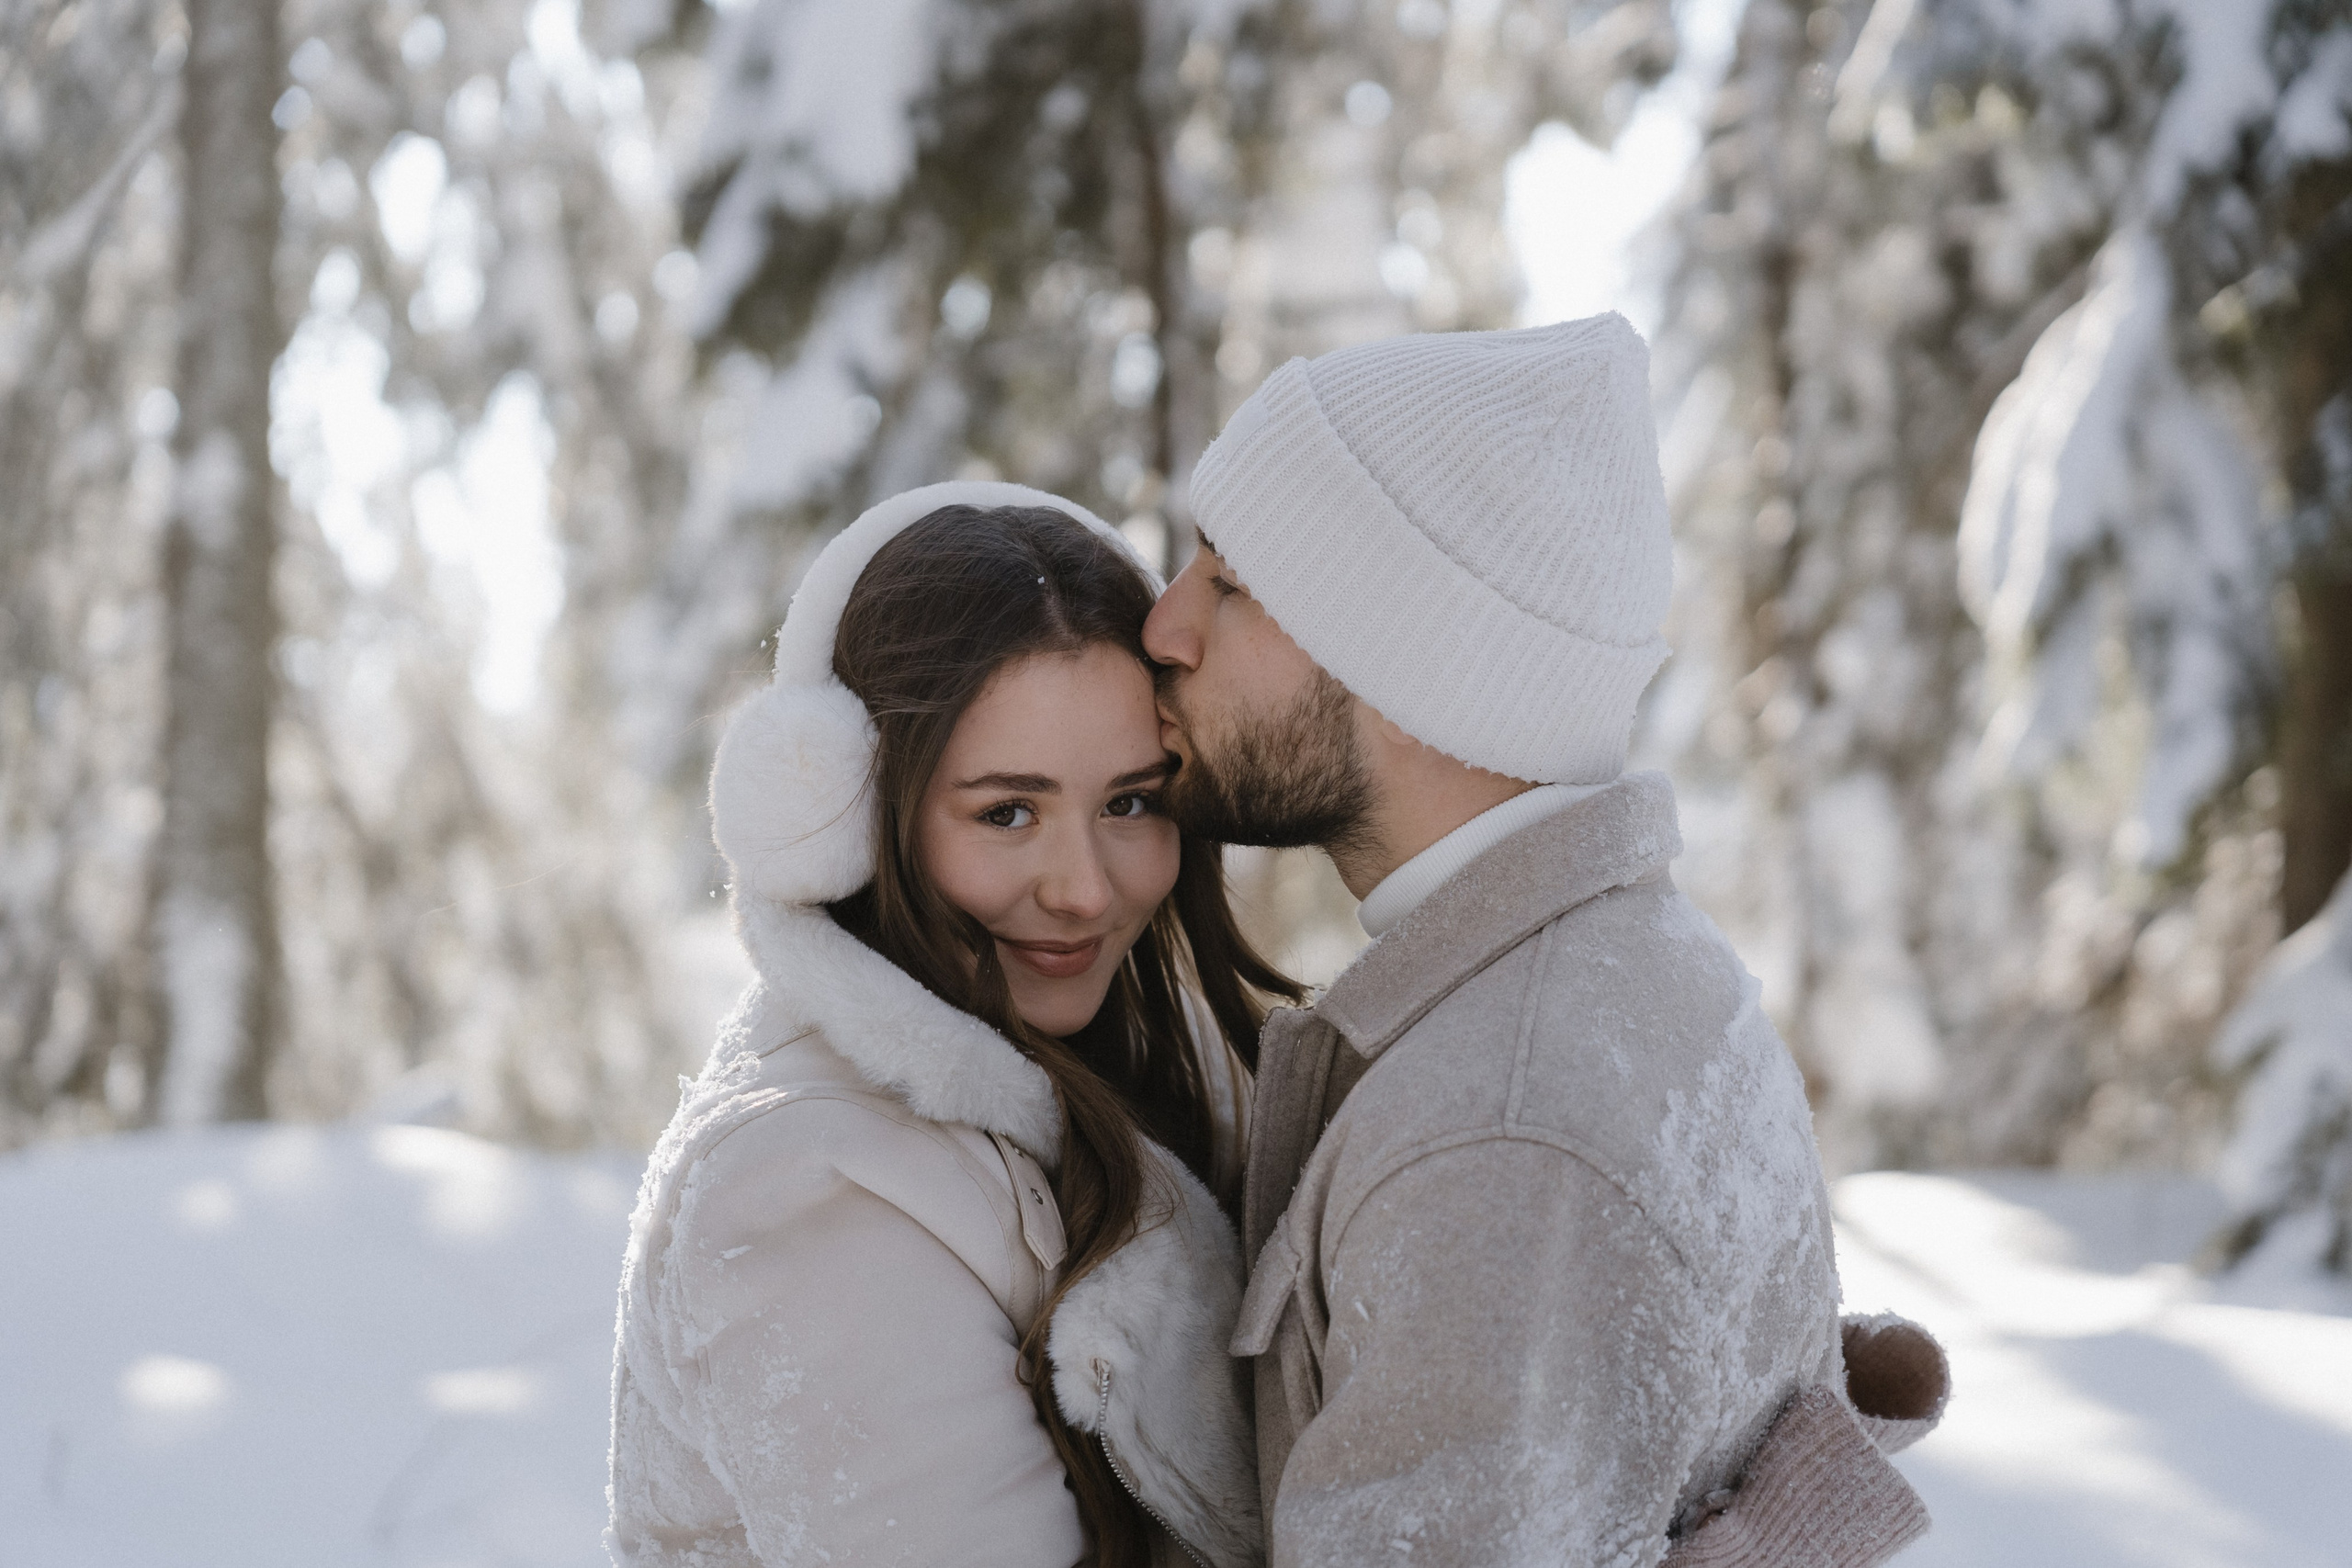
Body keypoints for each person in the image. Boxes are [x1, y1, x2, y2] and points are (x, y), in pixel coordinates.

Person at [1143, 314, 1947, 1566]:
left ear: (1411, 668)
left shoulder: (1499, 1129)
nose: (1164, 628)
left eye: (1232, 586)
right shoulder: (1634, 971)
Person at [606, 482, 1295, 1568]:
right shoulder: (809, 1190)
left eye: (1129, 803)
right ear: (851, 815)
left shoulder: (1163, 1071)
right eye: (1005, 813)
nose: (1081, 890)